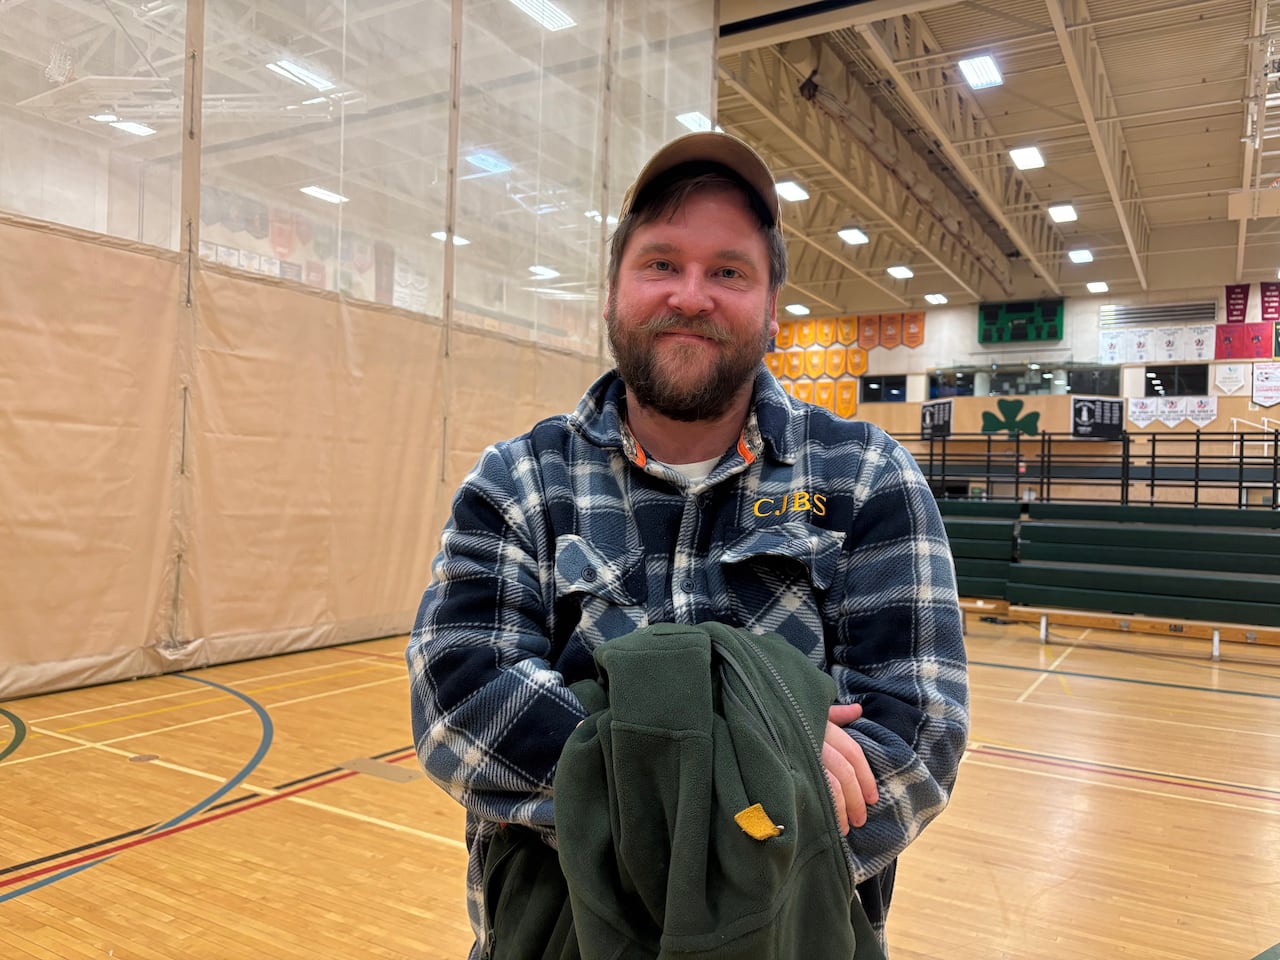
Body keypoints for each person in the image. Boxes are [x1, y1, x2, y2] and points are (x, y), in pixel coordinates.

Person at [407, 130, 969, 958]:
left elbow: (917, 738)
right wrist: (761, 754)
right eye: (662, 263)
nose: (692, 295)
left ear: (774, 310)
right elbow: (459, 709)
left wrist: (625, 777)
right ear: (612, 294)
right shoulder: (519, 481)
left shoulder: (867, 480)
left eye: (728, 271)